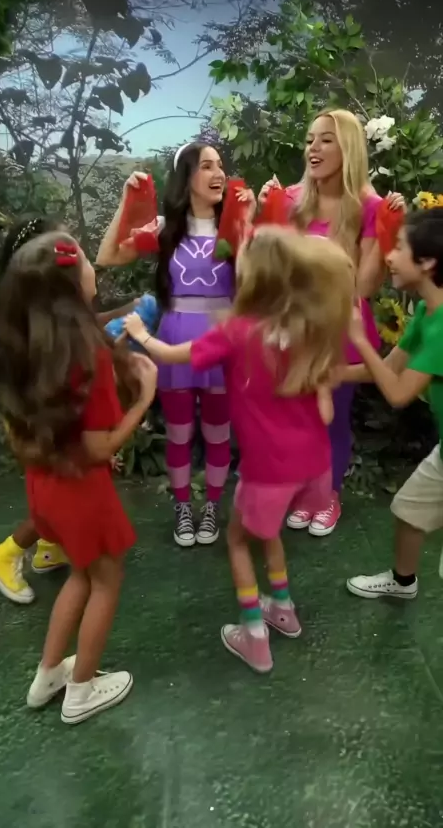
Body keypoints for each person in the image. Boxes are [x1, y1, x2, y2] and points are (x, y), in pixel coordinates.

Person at [124, 226, 355, 672]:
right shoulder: (308, 328)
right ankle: (282, 608)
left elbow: (172, 356)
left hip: (268, 470)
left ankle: (254, 636)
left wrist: (140, 332)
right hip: (315, 468)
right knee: (268, 534)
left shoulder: (237, 332)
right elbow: (325, 410)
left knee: (237, 541)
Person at [0, 230, 157, 723]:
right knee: (106, 579)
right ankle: (81, 689)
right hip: (83, 492)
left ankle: (49, 674)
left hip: (46, 487)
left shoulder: (31, 347)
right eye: (85, 258)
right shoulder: (87, 355)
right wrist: (144, 398)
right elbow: (100, 446)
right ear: (69, 284)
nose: (93, 267)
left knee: (82, 574)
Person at [97, 143, 254, 548]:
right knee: (180, 434)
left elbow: (257, 285)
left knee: (218, 434)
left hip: (222, 343)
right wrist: (126, 202)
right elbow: (107, 256)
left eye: (221, 165)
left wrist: (250, 223)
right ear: (187, 177)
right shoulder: (165, 229)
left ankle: (212, 507)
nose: (218, 173)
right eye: (207, 166)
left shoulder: (234, 228)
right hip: (174, 337)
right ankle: (183, 507)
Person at [258, 108, 405, 536]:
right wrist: (262, 215)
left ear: (348, 148)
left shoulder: (369, 207)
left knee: (330, 417)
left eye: (325, 140)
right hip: (290, 326)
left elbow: (366, 285)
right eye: (309, 140)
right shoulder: (289, 199)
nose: (313, 148)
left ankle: (328, 494)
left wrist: (388, 228)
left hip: (340, 328)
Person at [0, 216, 141, 605]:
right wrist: (139, 401)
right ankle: (7, 552)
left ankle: (48, 547)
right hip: (49, 434)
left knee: (55, 496)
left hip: (49, 431)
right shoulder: (35, 329)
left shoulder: (35, 318)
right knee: (61, 493)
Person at [343, 207, 443, 600]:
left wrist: (359, 339)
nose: (389, 256)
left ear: (428, 261)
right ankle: (403, 583)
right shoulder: (428, 311)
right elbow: (387, 369)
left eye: (399, 247)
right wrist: (329, 375)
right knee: (407, 510)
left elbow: (399, 394)